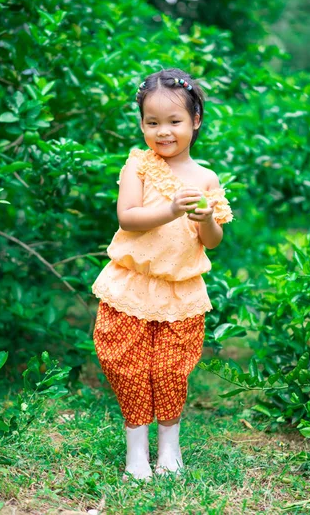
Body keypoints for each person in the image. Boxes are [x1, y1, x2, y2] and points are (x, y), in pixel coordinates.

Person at [91, 68, 233, 482]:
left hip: (180, 290)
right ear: (141, 124)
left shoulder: (205, 178)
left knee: (171, 369)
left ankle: (169, 446)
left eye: (174, 121)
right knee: (127, 365)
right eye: (152, 122)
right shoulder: (138, 166)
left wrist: (205, 218)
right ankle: (137, 449)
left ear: (195, 121)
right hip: (130, 284)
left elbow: (213, 240)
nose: (163, 132)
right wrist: (171, 208)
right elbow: (128, 218)